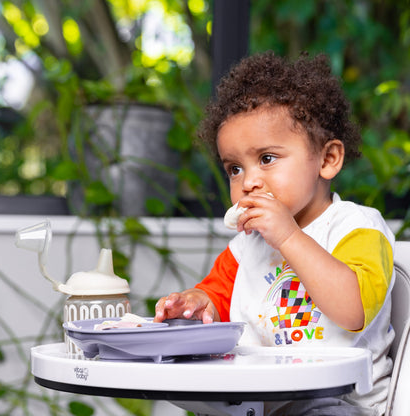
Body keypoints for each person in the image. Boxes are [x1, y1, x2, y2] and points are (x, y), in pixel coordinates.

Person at [154, 51, 395, 416]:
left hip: (340, 401)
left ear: (327, 159)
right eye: (234, 169)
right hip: (263, 400)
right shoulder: (245, 246)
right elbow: (216, 298)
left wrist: (288, 237)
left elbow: (353, 311)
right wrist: (197, 303)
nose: (249, 182)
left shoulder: (357, 227)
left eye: (266, 159)